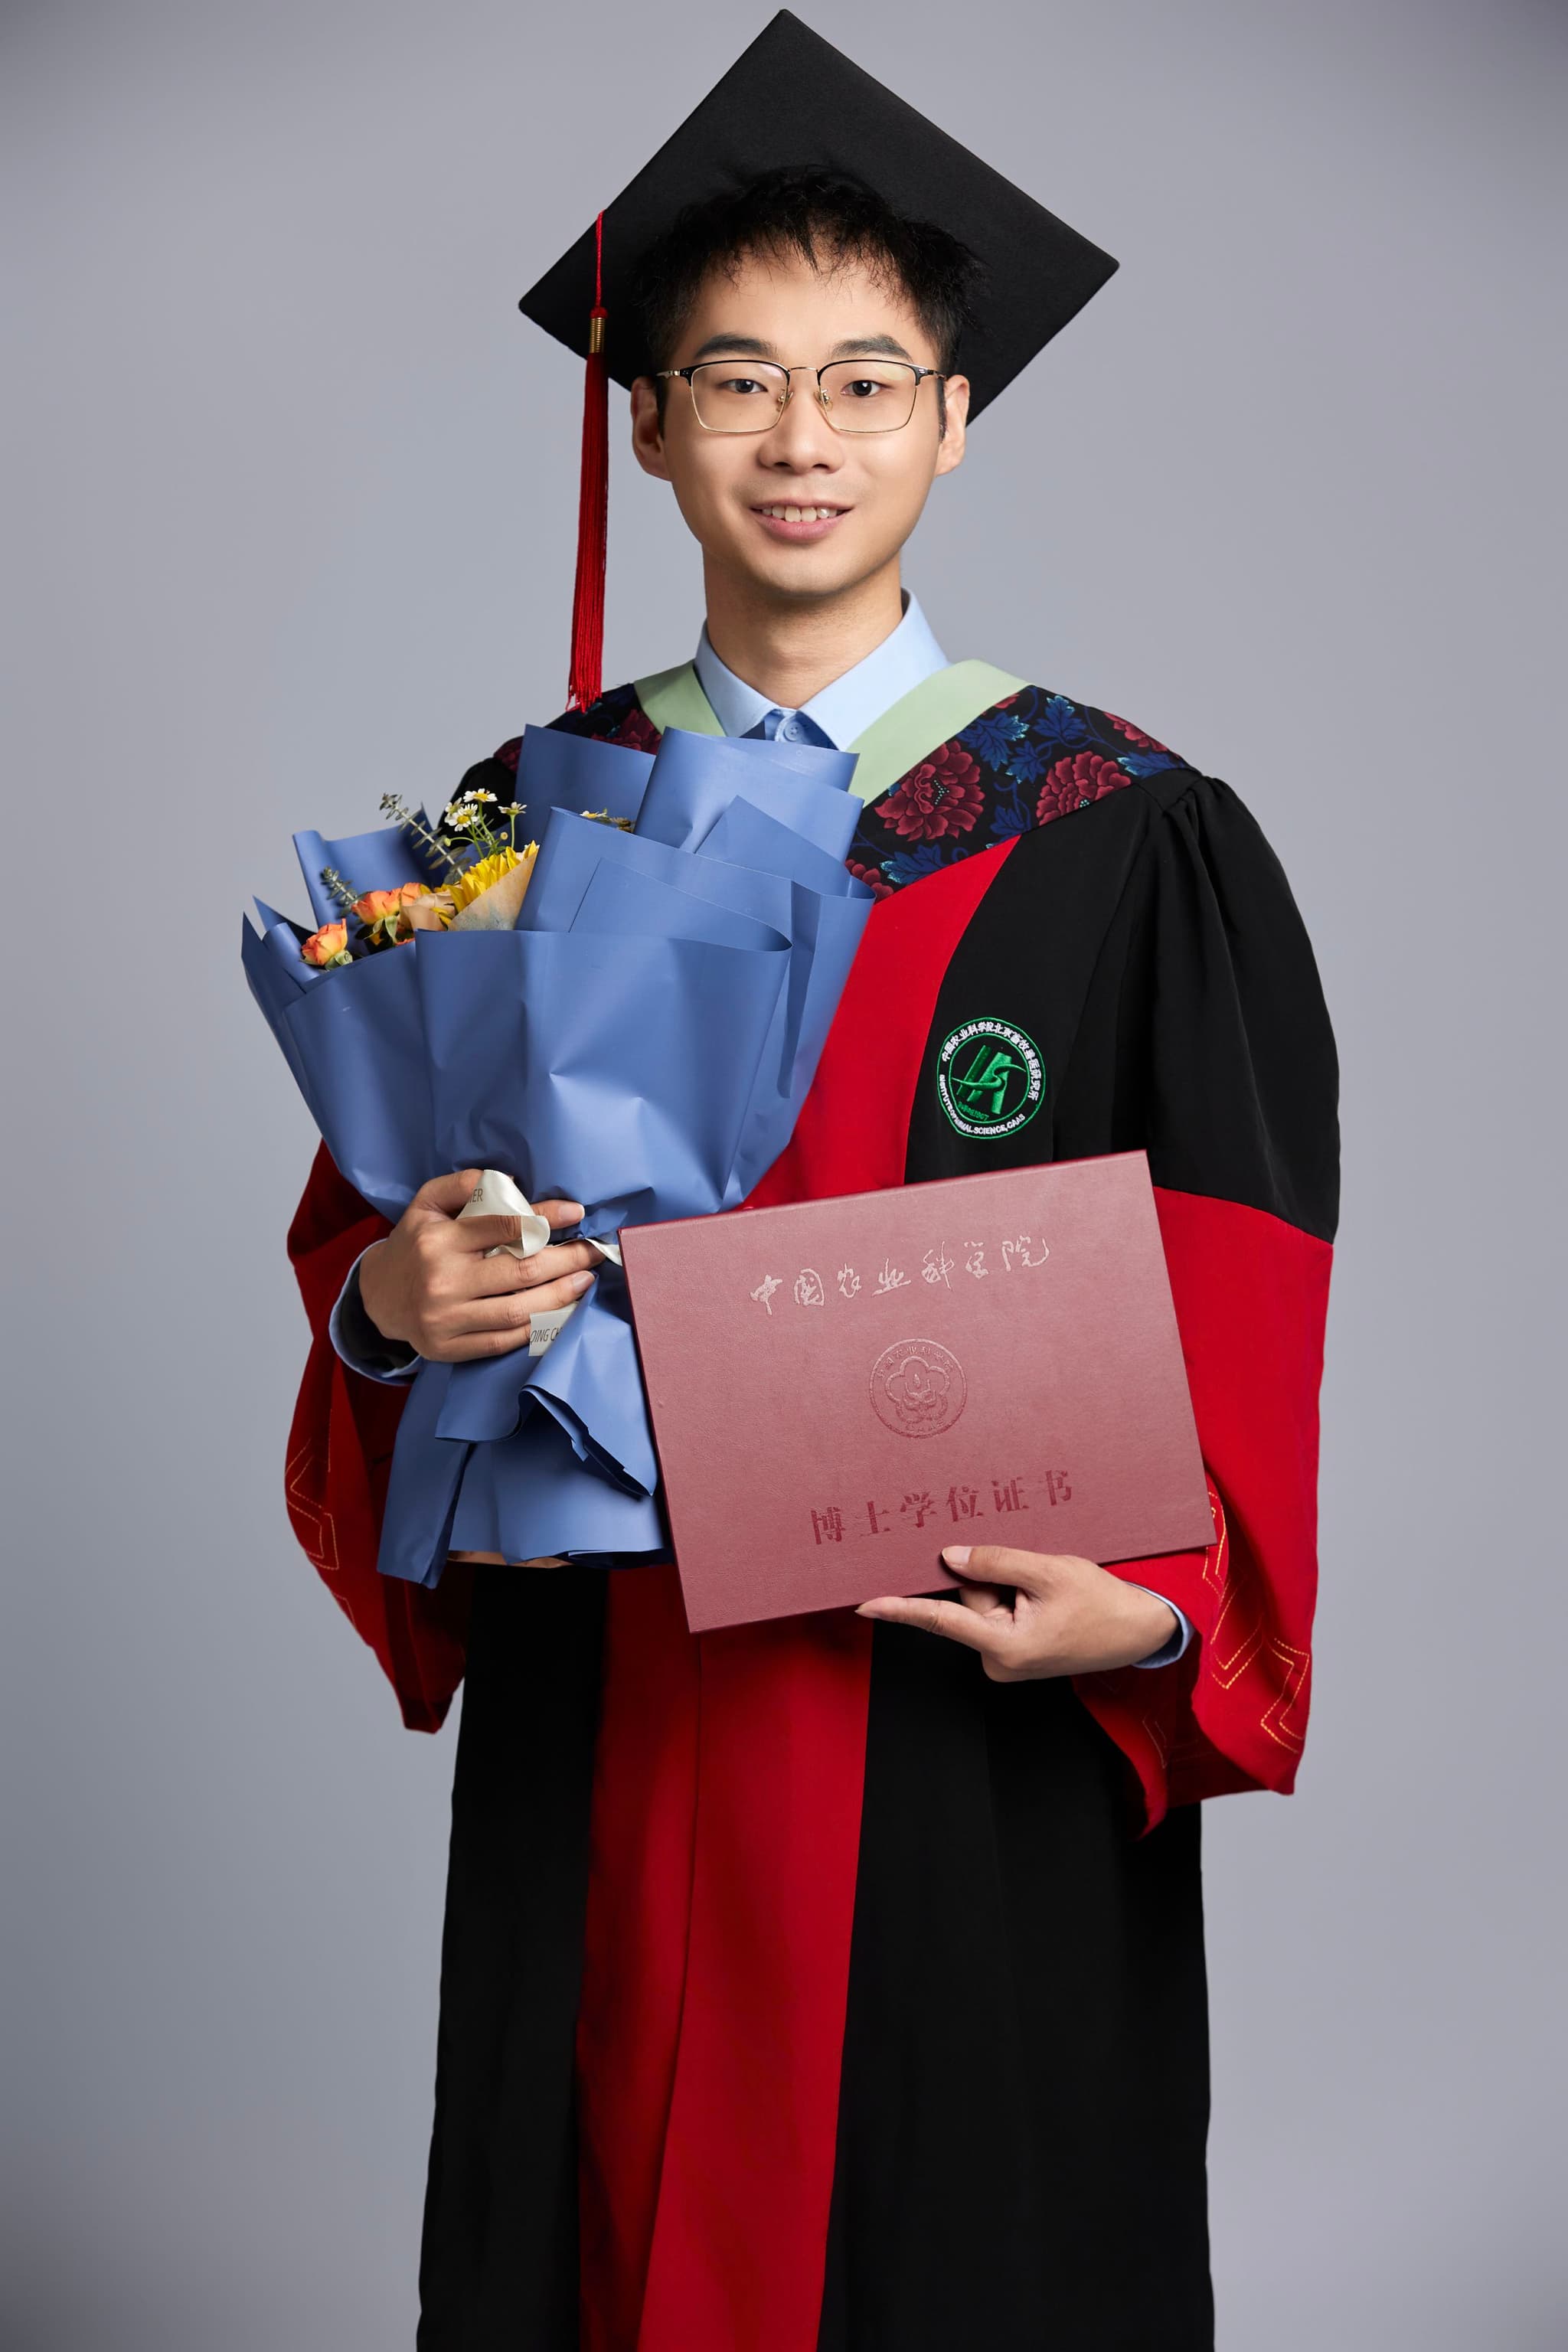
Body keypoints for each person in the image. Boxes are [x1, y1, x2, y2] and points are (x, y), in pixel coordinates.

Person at [280, 15, 1338, 2347]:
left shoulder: (1122, 835)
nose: (801, 437)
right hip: (616, 1717)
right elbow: (367, 1242)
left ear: (954, 420)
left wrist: (1164, 1618)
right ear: (644, 422)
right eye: (736, 379)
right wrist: (392, 1308)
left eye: (867, 383)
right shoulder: (512, 824)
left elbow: (1242, 1288)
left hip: (957, 1743)